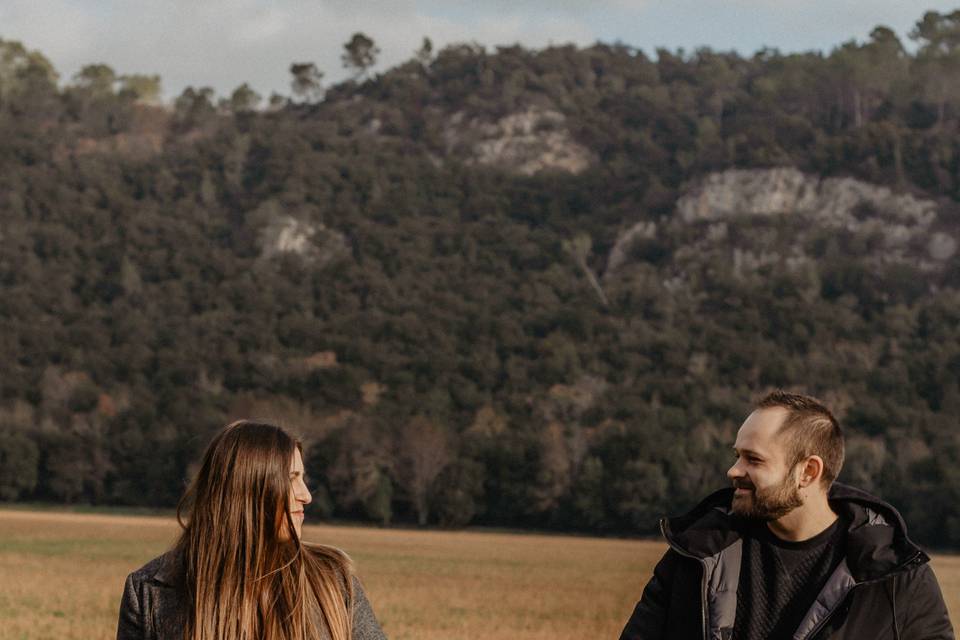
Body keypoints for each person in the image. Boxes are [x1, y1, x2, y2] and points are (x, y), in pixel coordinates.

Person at [618, 390, 954, 640]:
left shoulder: (894, 574)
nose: (733, 470)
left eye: (754, 459)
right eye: (737, 455)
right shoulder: (697, 554)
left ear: (807, 471)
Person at [116, 420, 387, 640]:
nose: (306, 495)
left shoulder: (333, 581)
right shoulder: (149, 591)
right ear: (249, 490)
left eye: (302, 479)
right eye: (292, 479)